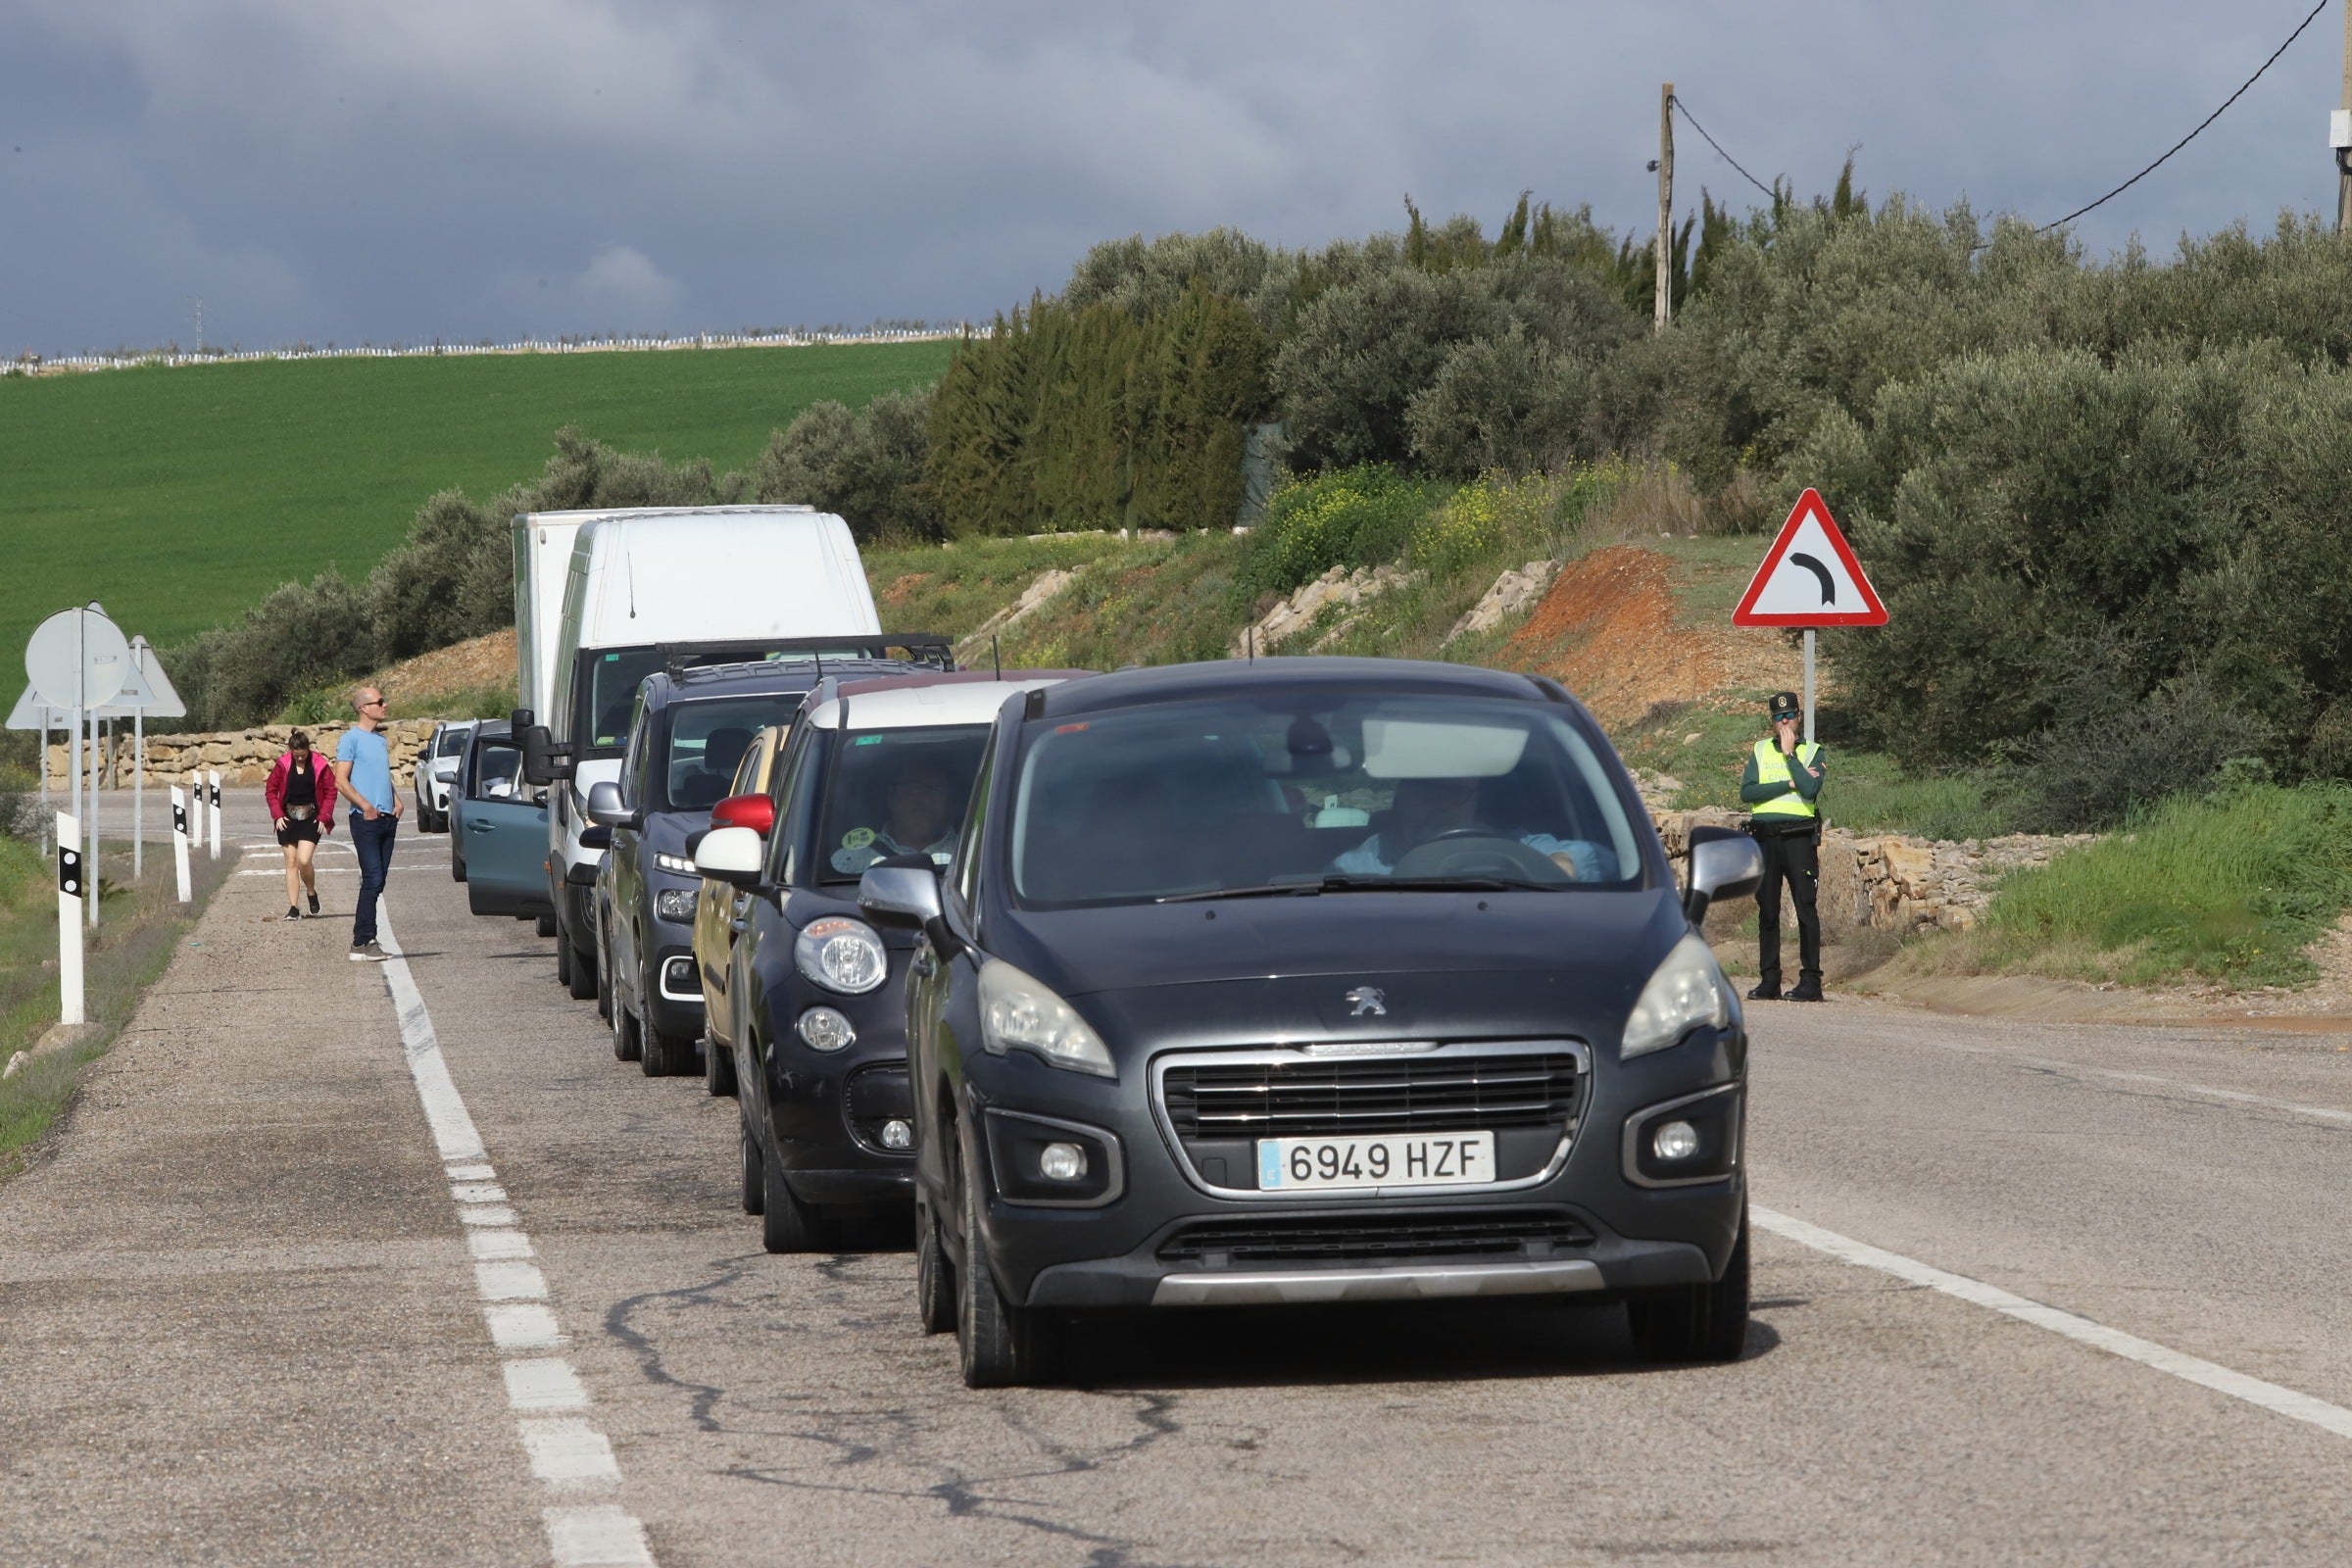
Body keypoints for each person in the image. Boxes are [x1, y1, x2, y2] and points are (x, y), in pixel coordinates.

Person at [1329, 775, 1611, 881]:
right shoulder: (1358, 867)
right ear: (1402, 794)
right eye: (1429, 789)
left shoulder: (1509, 848)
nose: (1442, 803)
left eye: (1456, 792)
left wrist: (1562, 865)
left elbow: (1599, 858)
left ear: (1474, 800)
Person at [1741, 690, 1825, 1002]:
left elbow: (1810, 787)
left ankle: (1811, 981)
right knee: (1768, 910)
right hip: (1765, 838)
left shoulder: (1813, 751)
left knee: (1805, 907)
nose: (1784, 720)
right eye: (1778, 717)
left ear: (1799, 716)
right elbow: (1748, 792)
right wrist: (1788, 782)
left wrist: (1791, 757)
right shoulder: (1760, 750)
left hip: (1798, 838)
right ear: (1771, 721)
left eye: (1789, 714)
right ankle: (1769, 979)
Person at [333, 686, 403, 961]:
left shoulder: (379, 741)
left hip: (387, 818)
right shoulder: (350, 739)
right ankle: (363, 941)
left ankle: (362, 941)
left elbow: (380, 775)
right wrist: (365, 806)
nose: (385, 705)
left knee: (379, 880)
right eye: (380, 702)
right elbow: (341, 780)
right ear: (364, 708)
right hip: (365, 820)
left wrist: (396, 799)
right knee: (372, 878)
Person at [831, 759, 959, 874]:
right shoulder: (849, 859)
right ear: (891, 797)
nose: (925, 799)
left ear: (950, 800)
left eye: (936, 789)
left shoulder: (972, 855)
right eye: (914, 788)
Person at [264, 730, 333, 920]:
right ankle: (293, 907)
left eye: (303, 754)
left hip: (312, 817)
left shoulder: (319, 765)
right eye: (296, 755)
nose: (300, 758)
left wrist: (324, 816)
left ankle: (311, 892)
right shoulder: (283, 765)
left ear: (308, 749)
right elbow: (271, 791)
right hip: (287, 818)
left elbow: (330, 792)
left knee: (304, 860)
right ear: (290, 751)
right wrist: (277, 815)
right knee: (291, 862)